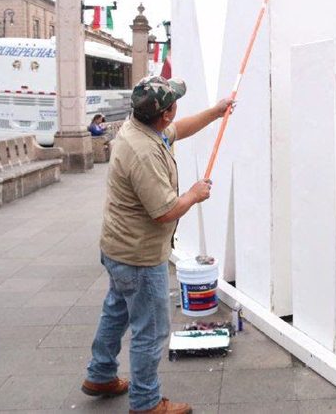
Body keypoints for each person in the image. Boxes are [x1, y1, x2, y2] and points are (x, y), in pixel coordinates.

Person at [81, 75, 233, 414]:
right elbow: (164, 212)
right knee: (150, 330)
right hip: (138, 255)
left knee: (116, 310)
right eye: (174, 101)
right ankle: (146, 403)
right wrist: (194, 194)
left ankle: (101, 374)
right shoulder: (143, 152)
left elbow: (179, 129)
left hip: (119, 247)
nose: (177, 107)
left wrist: (216, 112)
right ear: (163, 113)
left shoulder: (144, 127)